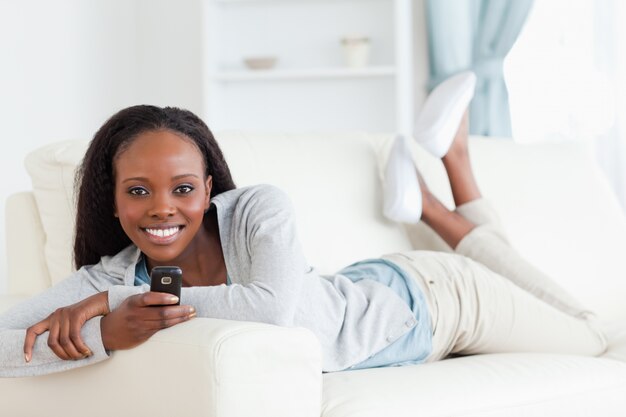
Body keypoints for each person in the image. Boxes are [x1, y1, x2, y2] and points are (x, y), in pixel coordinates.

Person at [0, 73, 607, 377]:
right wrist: (107, 333)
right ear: (111, 201)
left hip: (438, 301)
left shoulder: (259, 207)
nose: (163, 209)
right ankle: (433, 194)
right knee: (584, 327)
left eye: (183, 189)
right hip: (369, 285)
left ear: (209, 187)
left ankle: (448, 182)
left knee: (594, 339)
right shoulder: (108, 278)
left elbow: (272, 312)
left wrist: (119, 302)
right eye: (138, 192)